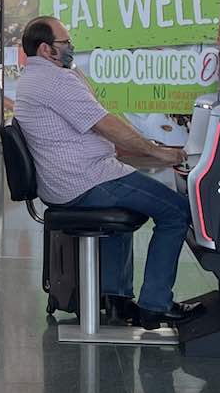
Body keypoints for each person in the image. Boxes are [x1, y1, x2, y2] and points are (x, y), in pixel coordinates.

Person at [12, 16, 195, 331]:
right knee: (177, 212)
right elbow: (105, 123)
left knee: (139, 207)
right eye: (64, 43)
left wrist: (141, 149)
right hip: (84, 180)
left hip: (67, 179)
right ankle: (155, 304)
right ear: (45, 49)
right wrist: (158, 152)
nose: (71, 48)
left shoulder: (32, 77)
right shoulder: (56, 80)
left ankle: (116, 299)